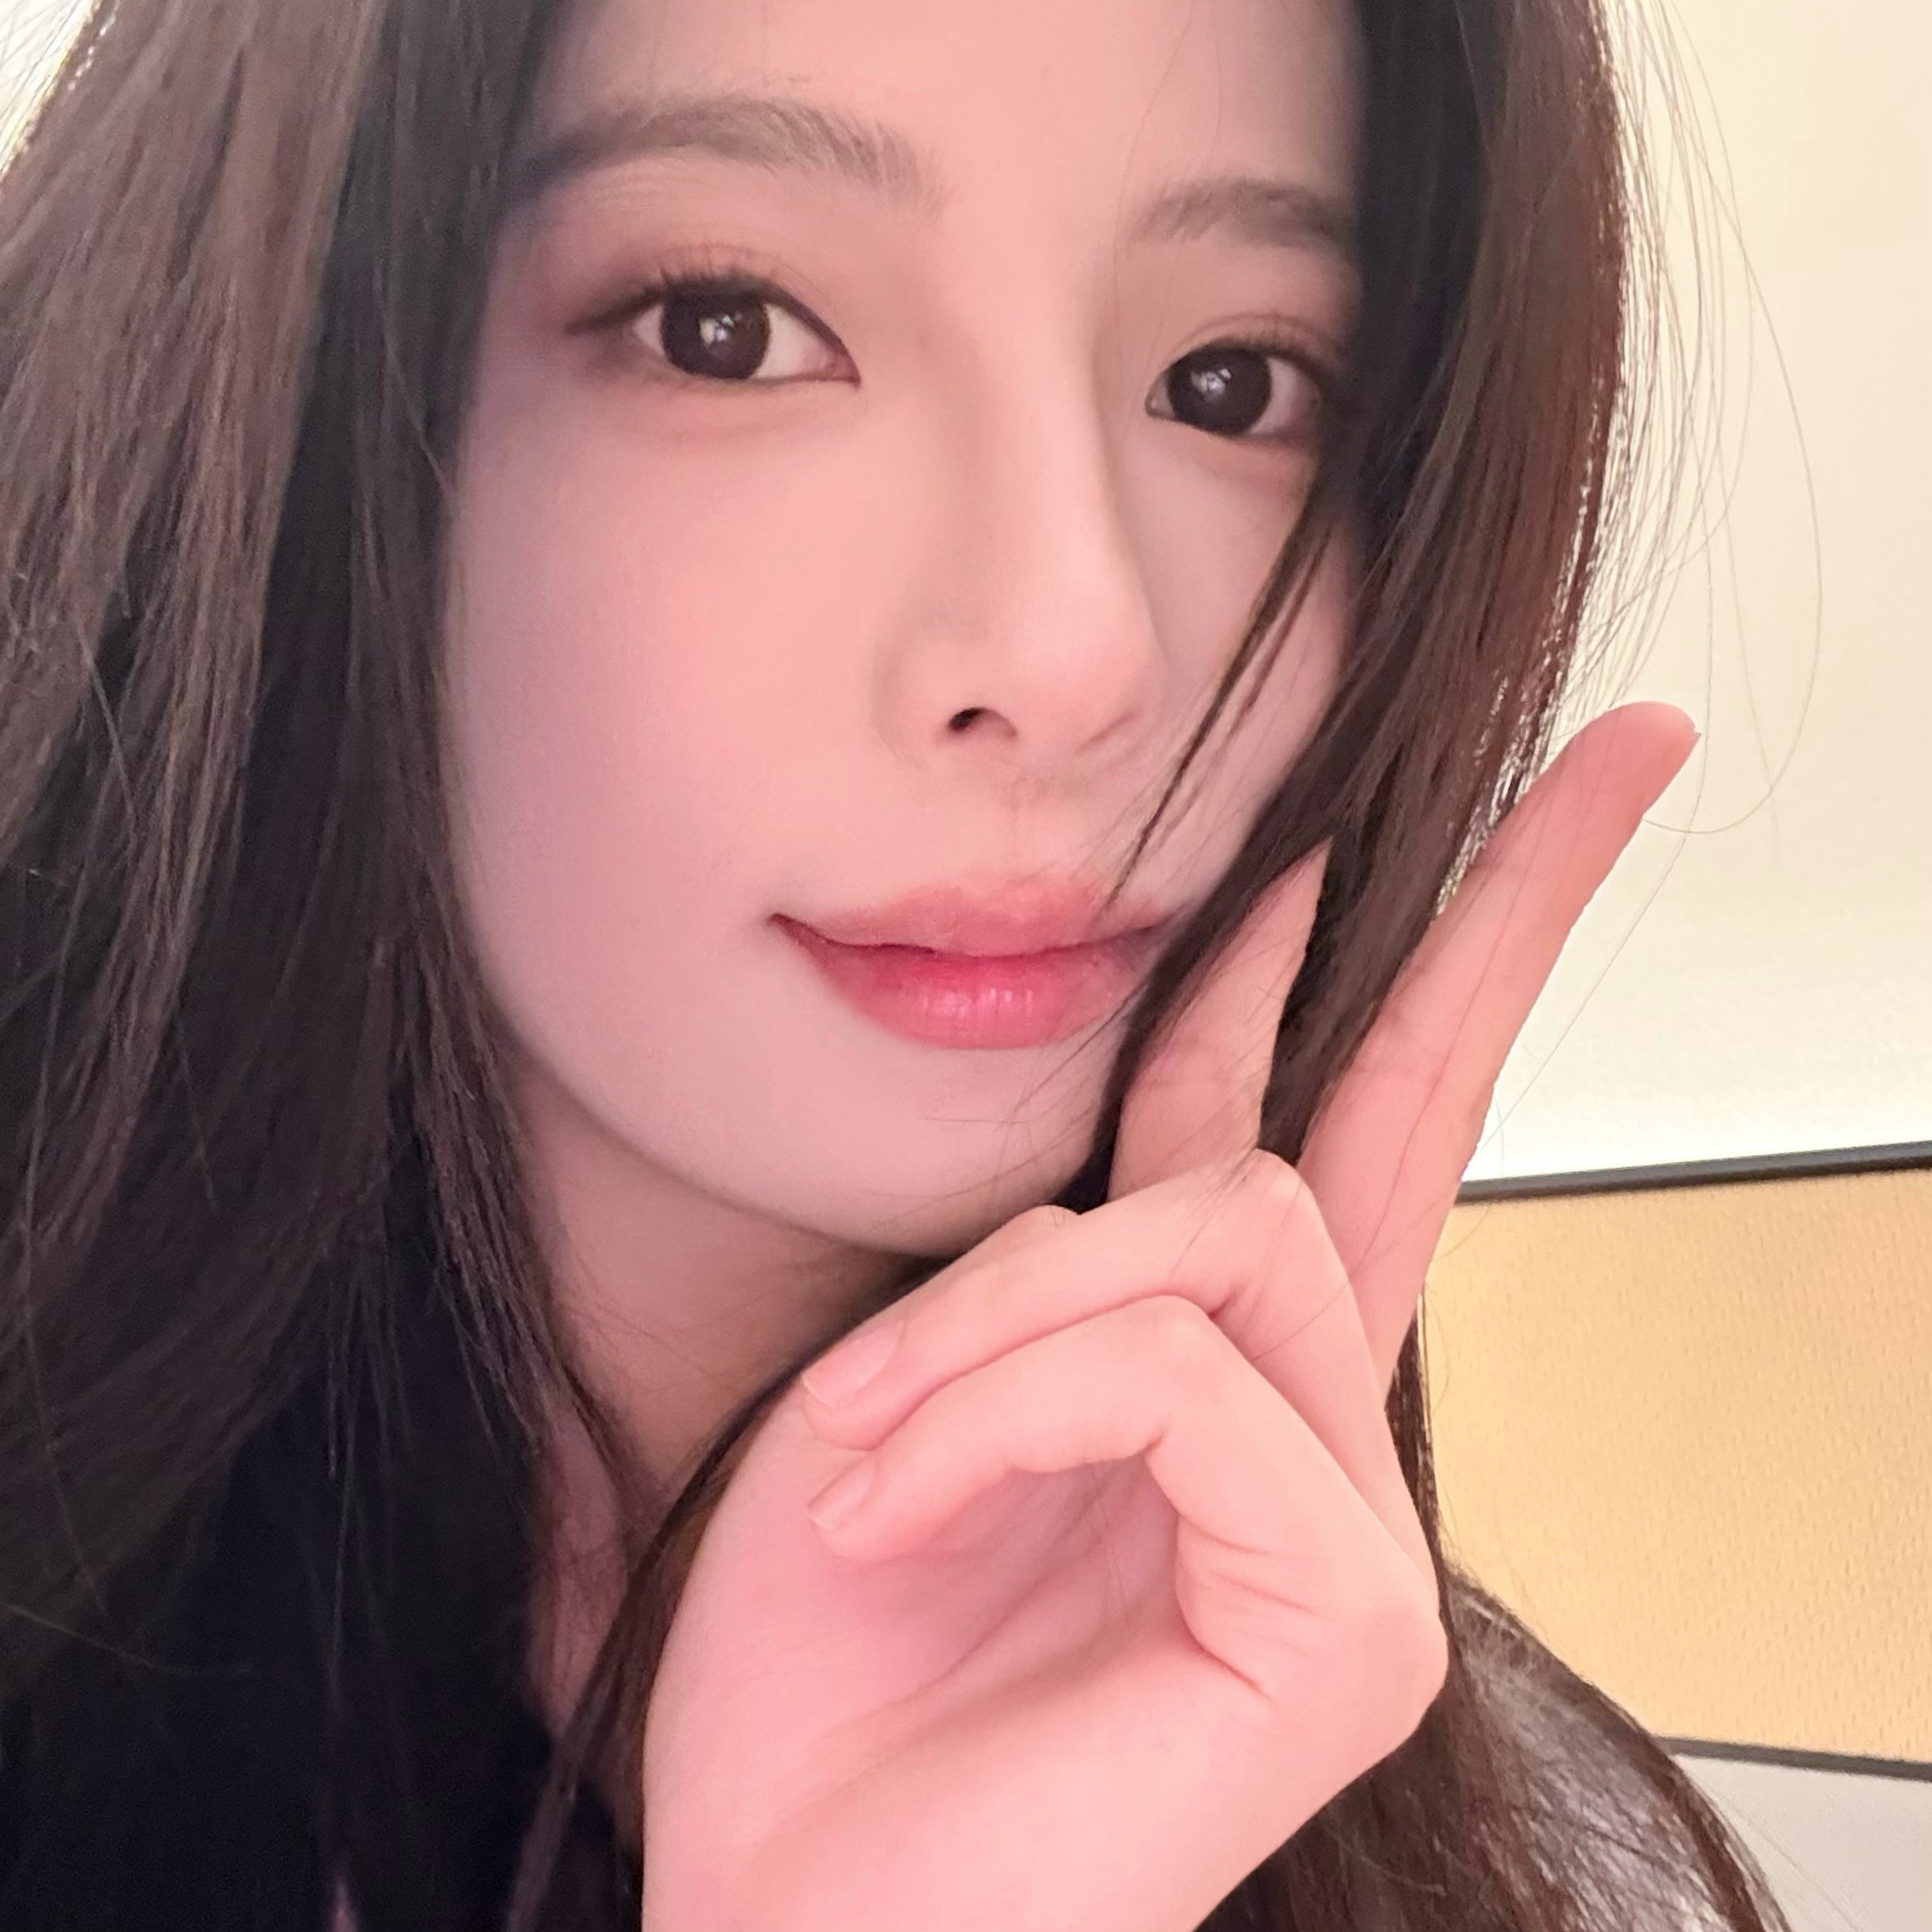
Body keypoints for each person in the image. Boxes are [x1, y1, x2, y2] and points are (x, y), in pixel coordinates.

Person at [0, 0, 1794, 1926]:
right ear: (273, 388)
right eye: (725, 329)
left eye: (1233, 382)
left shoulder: (1503, 1830)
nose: (1074, 652)